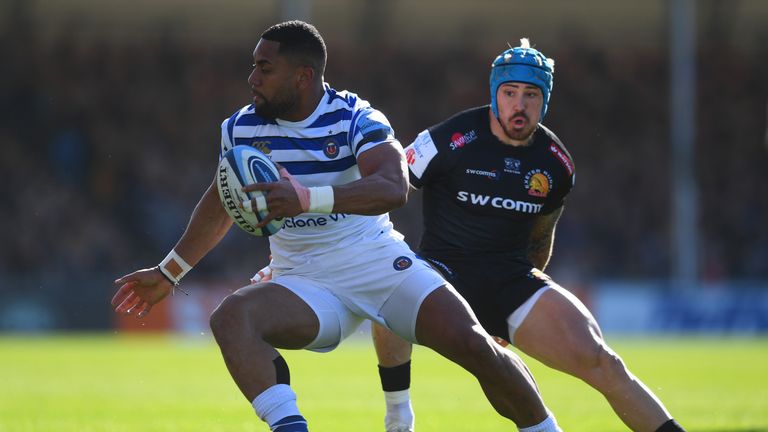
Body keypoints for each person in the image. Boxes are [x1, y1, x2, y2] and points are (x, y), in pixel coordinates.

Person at [111, 21, 564, 432]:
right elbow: (221, 200)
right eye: (254, 67)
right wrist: (169, 272)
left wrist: (308, 198)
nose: (252, 79)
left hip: (378, 262)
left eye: (264, 69)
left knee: (475, 347)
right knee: (231, 318)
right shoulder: (241, 128)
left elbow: (393, 186)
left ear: (302, 77)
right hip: (303, 279)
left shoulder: (354, 118)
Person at [366, 39, 687, 432]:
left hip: (510, 281)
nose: (519, 105)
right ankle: (399, 416)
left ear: (545, 100)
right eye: (510, 93)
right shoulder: (446, 139)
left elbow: (540, 237)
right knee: (388, 287)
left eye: (531, 95)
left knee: (604, 362)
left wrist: (511, 312)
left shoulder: (556, 164)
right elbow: (386, 188)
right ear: (494, 94)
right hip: (441, 274)